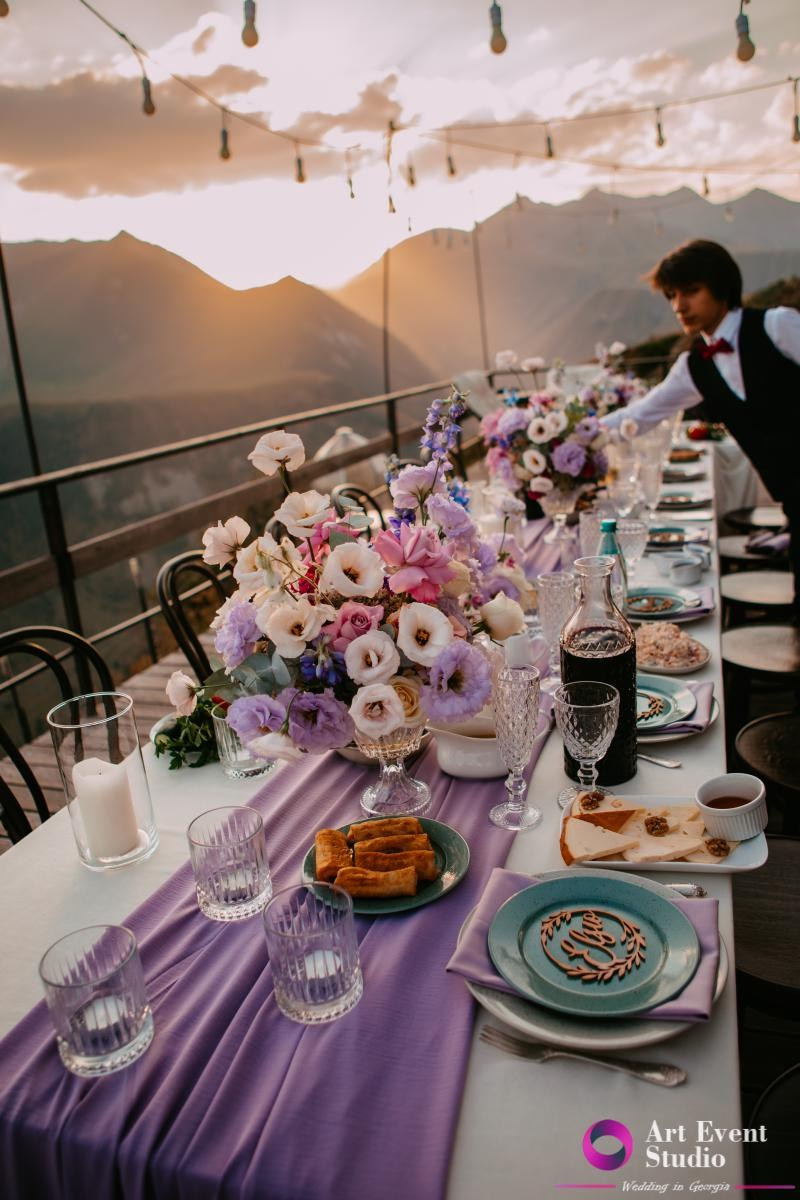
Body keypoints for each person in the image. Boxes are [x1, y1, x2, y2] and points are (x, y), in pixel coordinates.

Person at [601, 239, 800, 613]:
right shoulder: (693, 366)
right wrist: (573, 436)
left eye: (691, 291)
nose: (679, 306)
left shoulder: (777, 325)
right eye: (673, 295)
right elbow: (637, 417)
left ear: (722, 288)